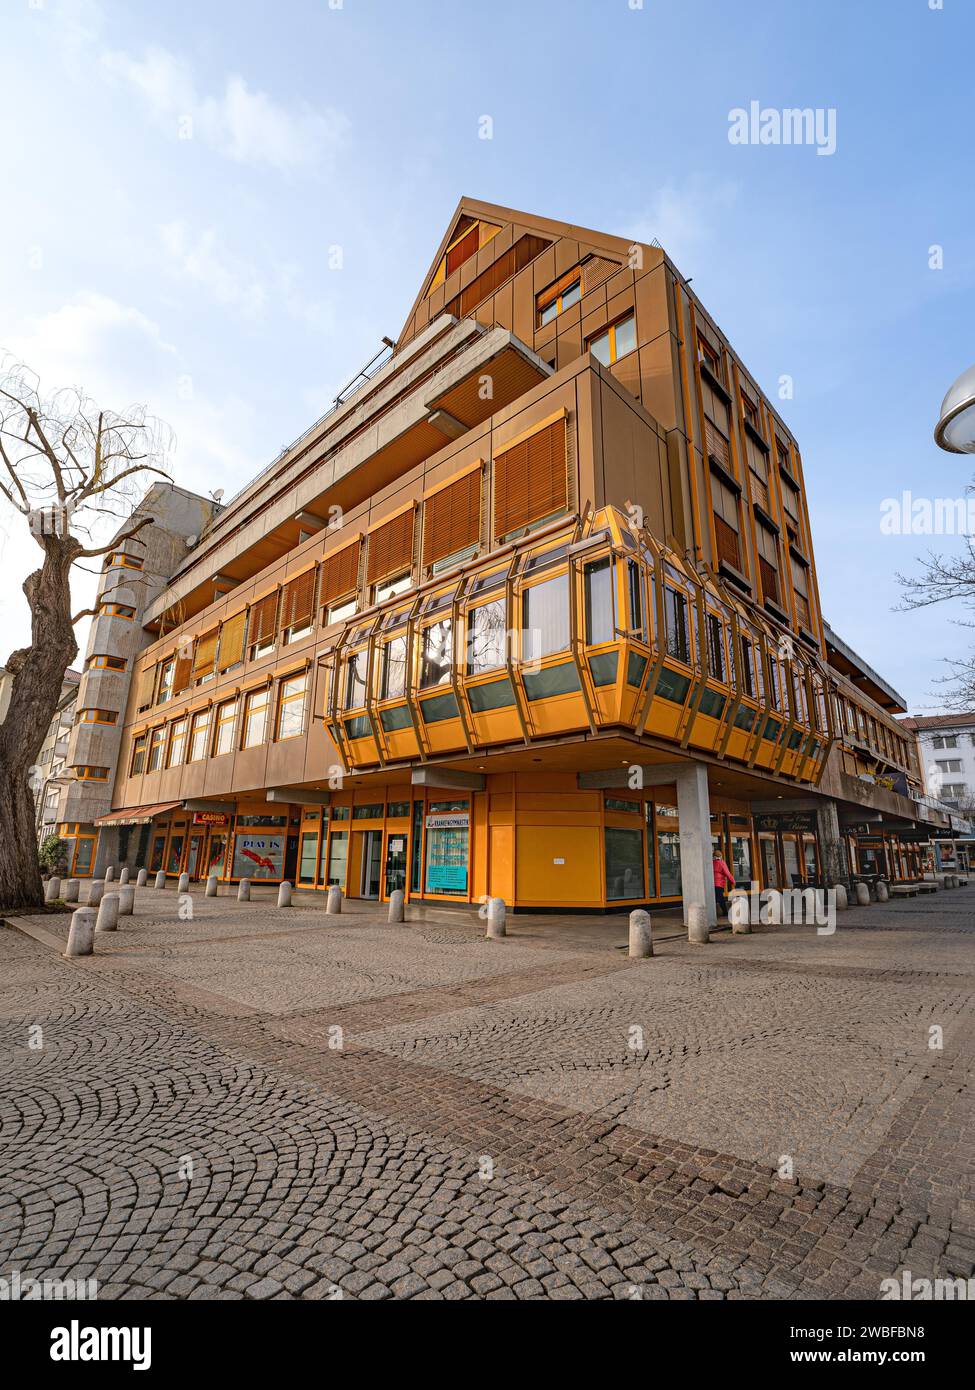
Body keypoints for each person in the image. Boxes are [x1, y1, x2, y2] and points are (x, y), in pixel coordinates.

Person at [712, 848, 735, 918]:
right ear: (720, 856)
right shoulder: (721, 863)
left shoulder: (711, 863)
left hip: (712, 883)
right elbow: (727, 873)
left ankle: (713, 912)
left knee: (715, 898)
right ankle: (725, 912)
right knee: (720, 898)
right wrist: (733, 881)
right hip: (719, 884)